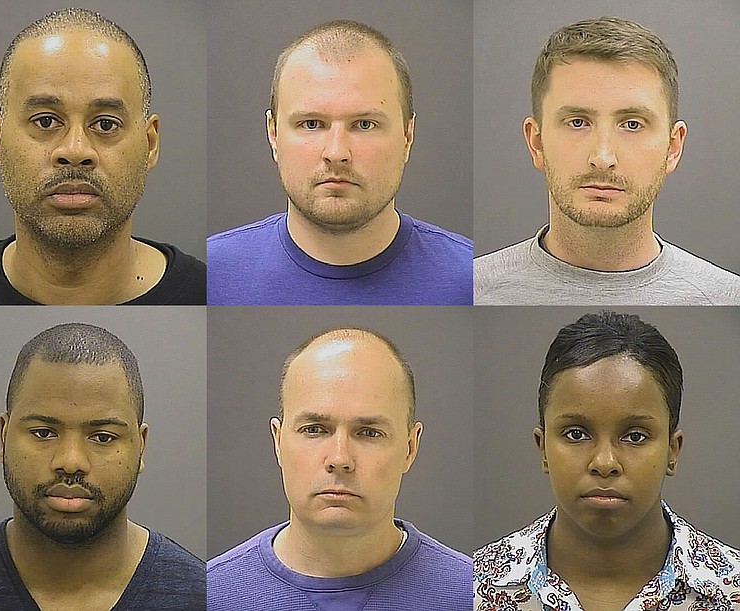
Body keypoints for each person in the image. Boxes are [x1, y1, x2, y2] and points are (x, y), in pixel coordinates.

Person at [473, 311, 740, 609]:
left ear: (672, 450)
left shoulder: (732, 589)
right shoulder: (476, 585)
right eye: (576, 434)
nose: (604, 462)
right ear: (543, 447)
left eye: (635, 436)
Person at [0, 8, 205, 305]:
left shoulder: (208, 291)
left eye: (105, 124)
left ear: (150, 143)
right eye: (45, 121)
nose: (75, 150)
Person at [474, 16, 740, 305]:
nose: (602, 158)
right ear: (536, 142)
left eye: (632, 124)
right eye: (577, 122)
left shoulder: (725, 297)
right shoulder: (472, 289)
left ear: (672, 147)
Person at [0, 323, 206, 609]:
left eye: (103, 437)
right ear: (4, 436)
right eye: (43, 432)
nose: (70, 462)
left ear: (140, 446)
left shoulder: (203, 596)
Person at [206, 20, 473, 305]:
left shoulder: (469, 280)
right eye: (311, 124)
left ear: (408, 135)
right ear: (273, 134)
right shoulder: (210, 276)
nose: (336, 152)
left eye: (365, 124)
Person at [207, 328, 472, 610]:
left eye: (369, 433)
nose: (339, 458)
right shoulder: (212, 594)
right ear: (278, 441)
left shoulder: (472, 593)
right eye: (314, 429)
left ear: (410, 448)